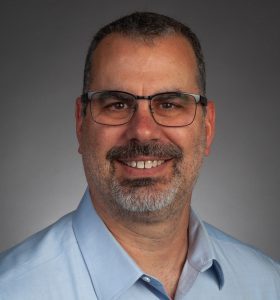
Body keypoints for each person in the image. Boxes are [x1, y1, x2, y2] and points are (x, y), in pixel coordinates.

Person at [0, 12, 279, 300]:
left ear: (207, 128)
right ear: (80, 124)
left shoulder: (267, 285)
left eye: (169, 104)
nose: (143, 131)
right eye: (118, 104)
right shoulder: (11, 289)